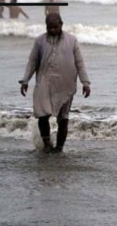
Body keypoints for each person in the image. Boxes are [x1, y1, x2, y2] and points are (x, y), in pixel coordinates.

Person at [19, 13, 91, 153]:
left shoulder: (72, 40)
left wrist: (85, 82)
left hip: (66, 84)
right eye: (49, 27)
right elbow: (32, 61)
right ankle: (47, 144)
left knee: (63, 118)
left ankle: (59, 148)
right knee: (42, 114)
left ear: (61, 24)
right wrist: (25, 80)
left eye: (55, 27)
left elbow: (79, 63)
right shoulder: (40, 41)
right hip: (44, 82)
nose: (52, 30)